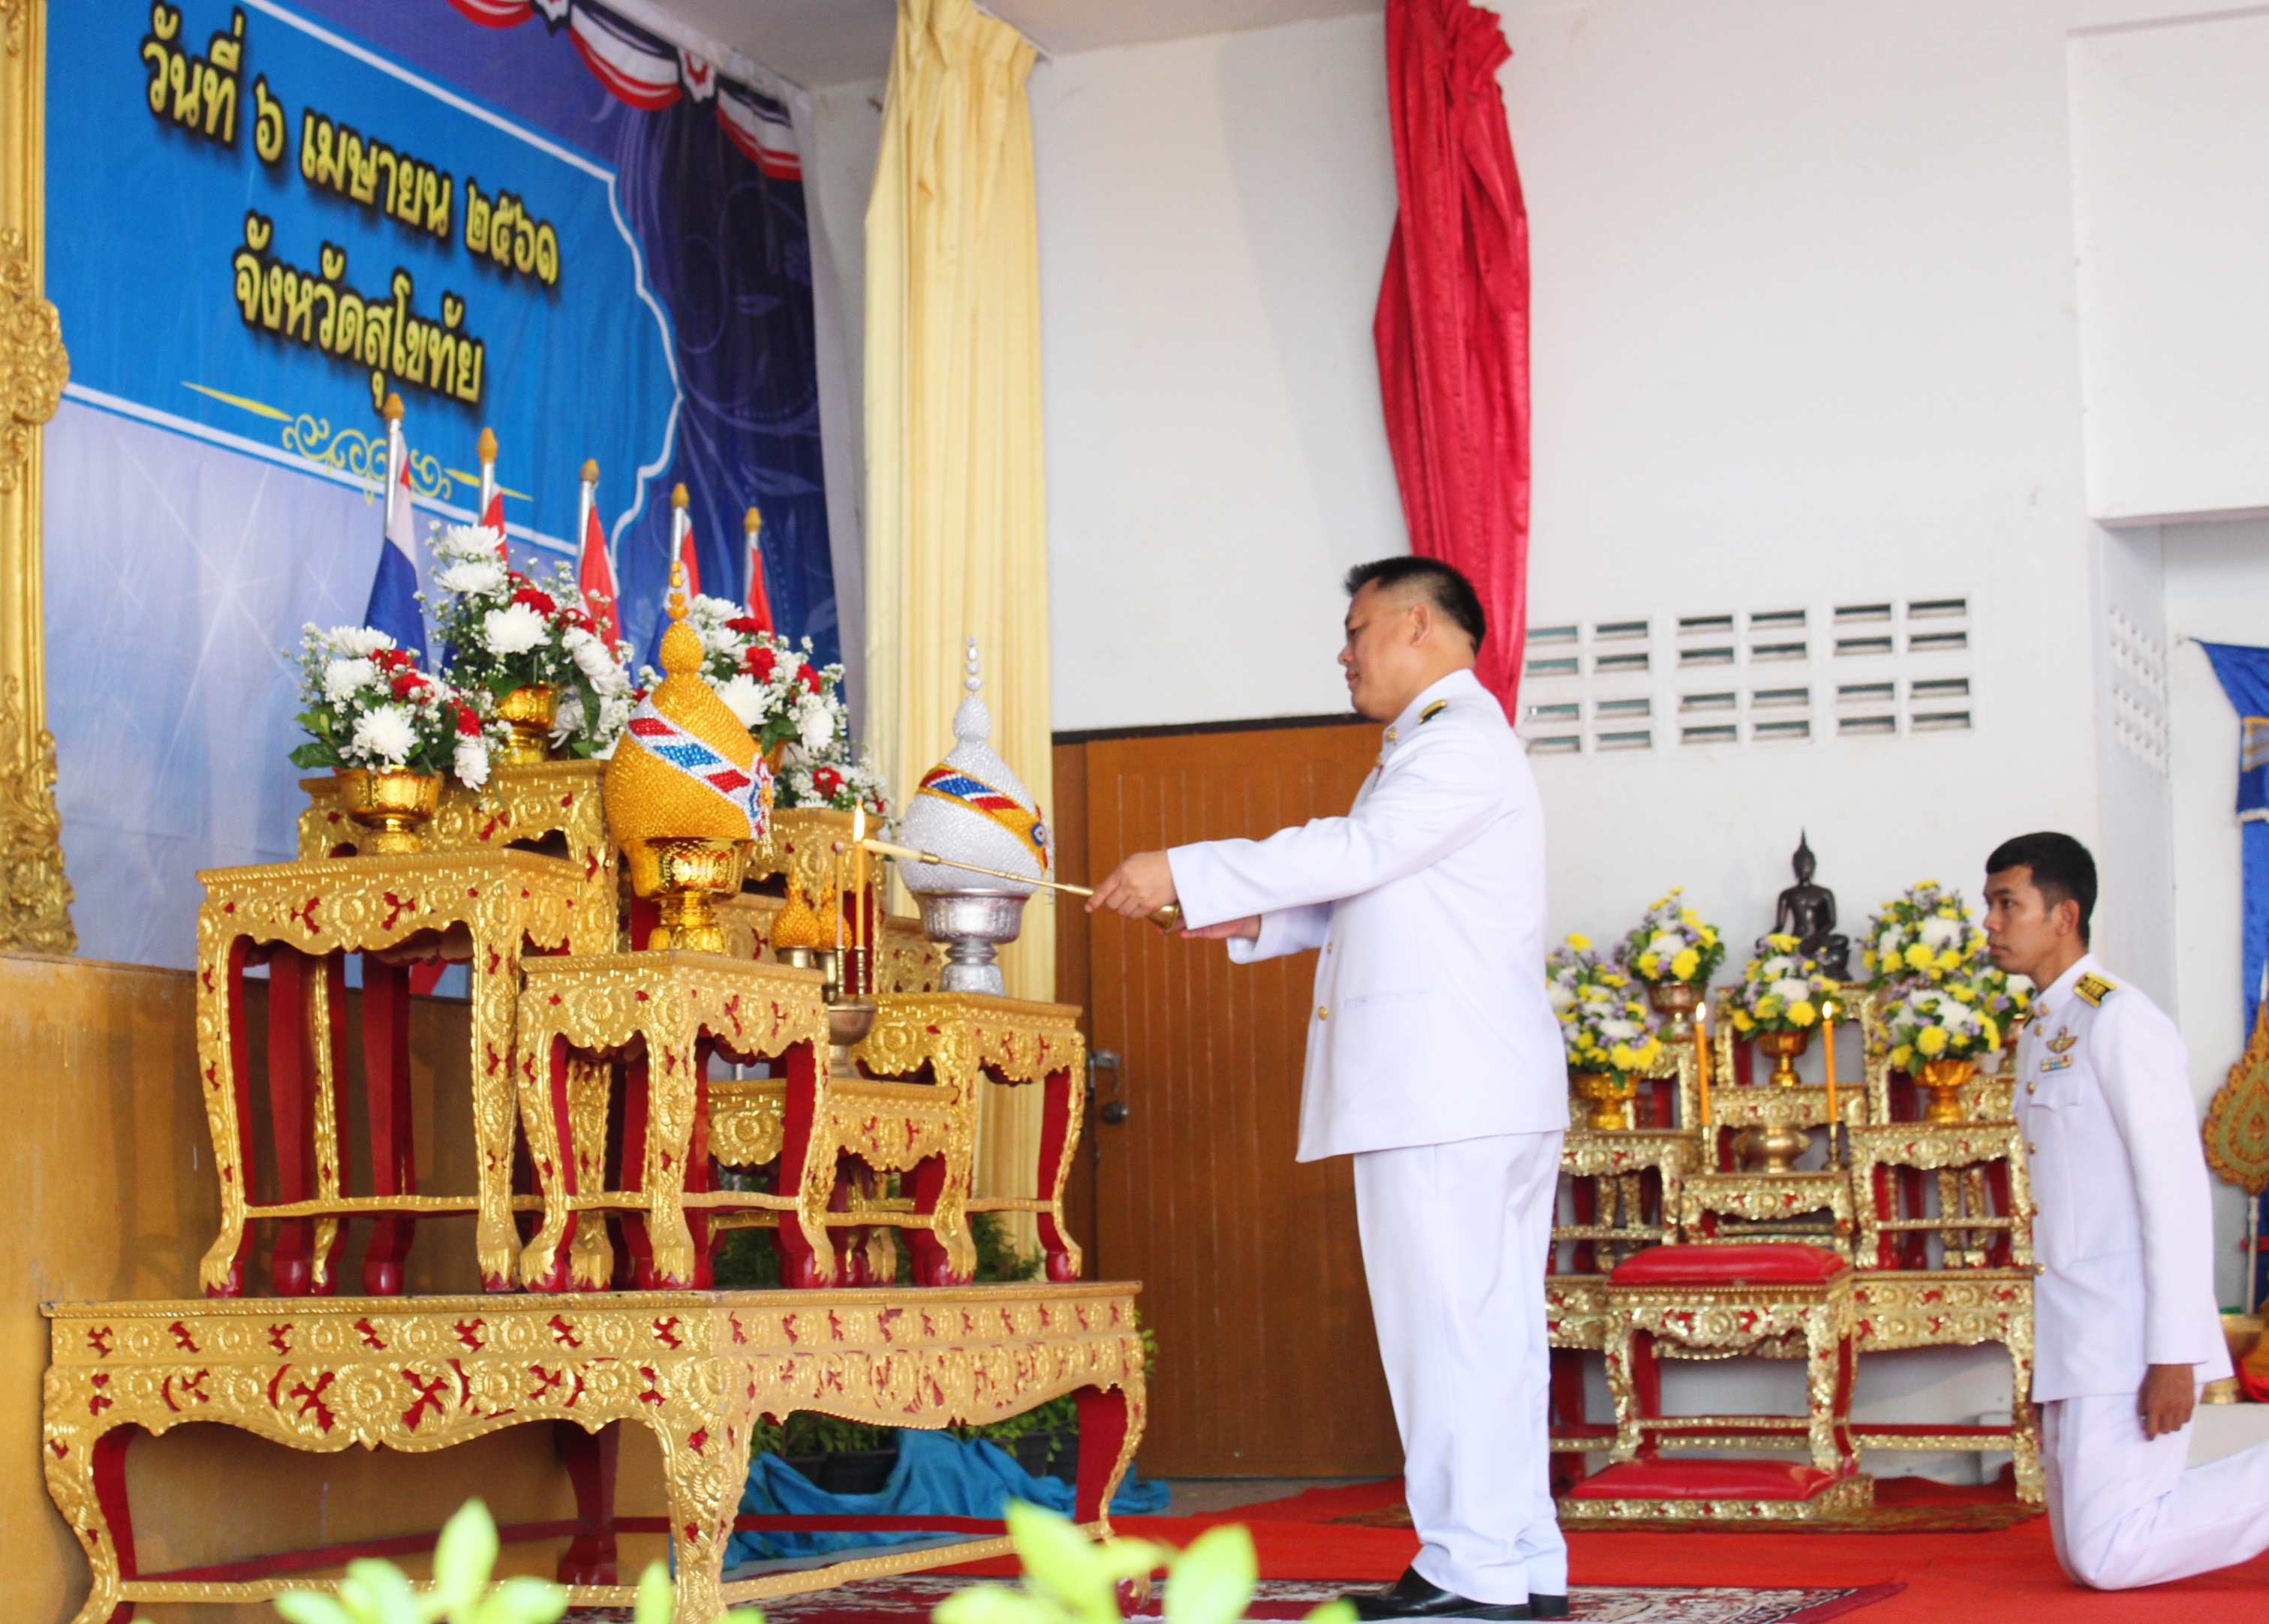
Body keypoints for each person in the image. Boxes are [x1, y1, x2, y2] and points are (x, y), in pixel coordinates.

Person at [1089, 557, 1568, 1621]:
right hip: (1471, 1090)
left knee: (1444, 1333)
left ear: (1412, 626)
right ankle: (1516, 1558)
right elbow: (1367, 890)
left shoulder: (1452, 746)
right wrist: (1232, 911)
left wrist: (1186, 866)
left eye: (1354, 629)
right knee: (1485, 1337)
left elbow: (1358, 851)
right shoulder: (1443, 747)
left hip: (1442, 1093)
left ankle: (1470, 1572)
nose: (1342, 652)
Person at [1985, 831, 2269, 1589]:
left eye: (2006, 903)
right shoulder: (2044, 1027)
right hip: (2075, 1328)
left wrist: (2173, 1351)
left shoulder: (2117, 1018)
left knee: (2112, 1557)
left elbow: (2170, 1190)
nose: (1990, 921)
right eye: (1990, 903)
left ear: (2062, 915)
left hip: (2126, 1330)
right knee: (2084, 1555)